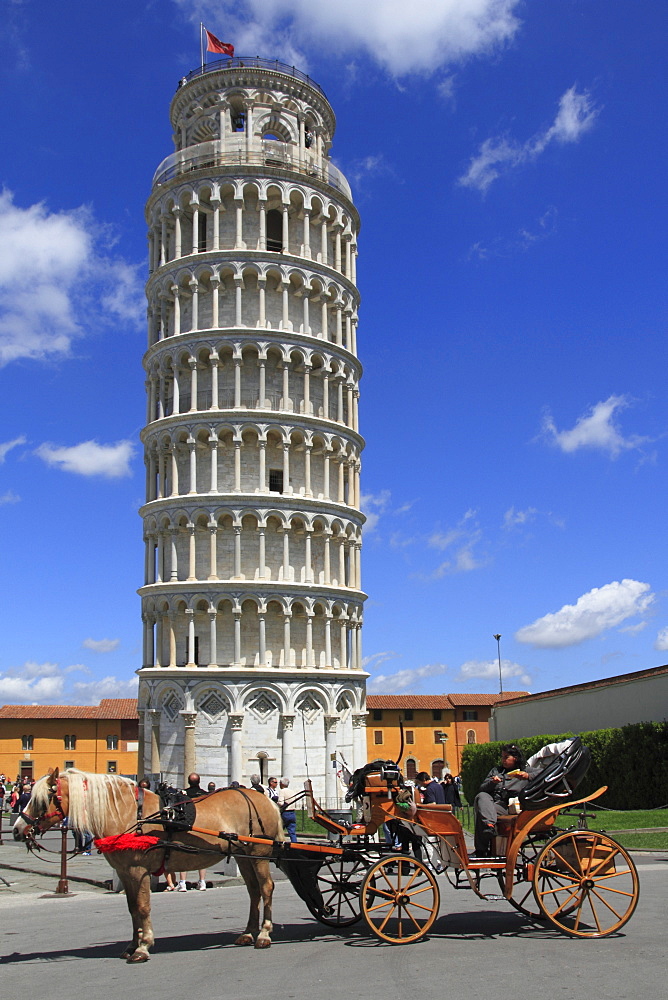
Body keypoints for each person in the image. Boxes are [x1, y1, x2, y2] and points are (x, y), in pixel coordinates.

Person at [472, 743, 539, 856]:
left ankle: (481, 849)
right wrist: (492, 782)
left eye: (506, 757)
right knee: (482, 796)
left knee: (483, 813)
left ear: (515, 758)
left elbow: (543, 772)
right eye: (502, 757)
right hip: (494, 804)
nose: (503, 760)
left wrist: (527, 776)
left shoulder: (525, 770)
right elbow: (482, 788)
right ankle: (489, 826)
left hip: (510, 807)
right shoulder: (496, 771)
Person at [177, 773, 208, 891]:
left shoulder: (183, 794)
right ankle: (202, 882)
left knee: (183, 854)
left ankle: (183, 883)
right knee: (201, 854)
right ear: (199, 782)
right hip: (202, 827)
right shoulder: (204, 794)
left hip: (188, 826)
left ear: (189, 782)